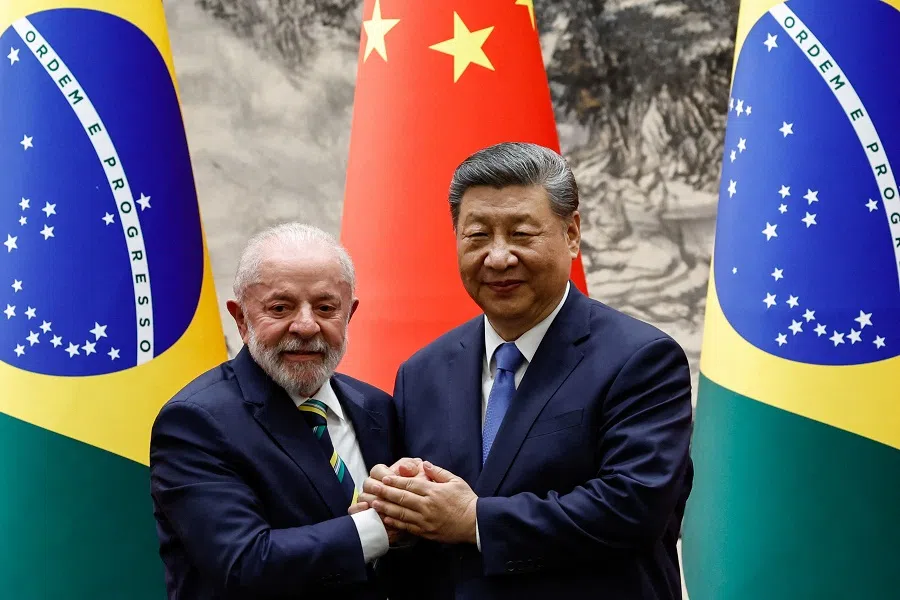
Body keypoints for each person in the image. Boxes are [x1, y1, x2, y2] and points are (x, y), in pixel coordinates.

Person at [364, 142, 694, 599]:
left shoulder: (642, 360)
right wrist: (394, 516)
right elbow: (427, 538)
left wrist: (474, 519)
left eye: (521, 234)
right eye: (477, 236)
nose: (498, 257)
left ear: (572, 234)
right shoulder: (421, 373)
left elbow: (633, 507)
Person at [149, 223, 403, 599]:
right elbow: (244, 563)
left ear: (349, 315)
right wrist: (380, 527)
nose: (306, 326)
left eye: (326, 308)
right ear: (241, 319)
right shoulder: (194, 422)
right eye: (280, 308)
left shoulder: (377, 408)